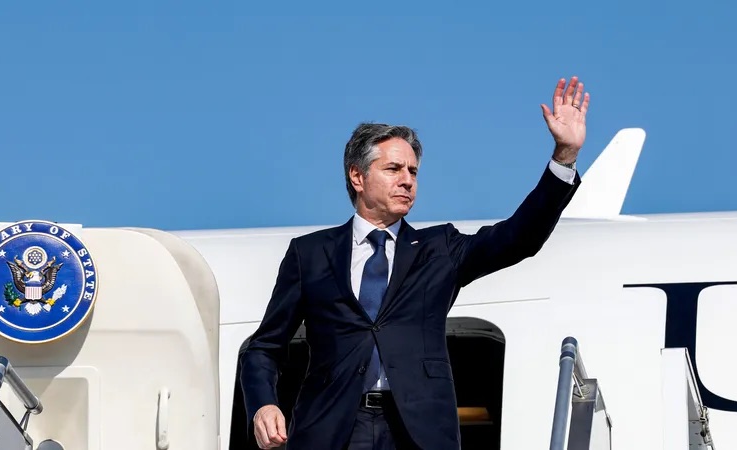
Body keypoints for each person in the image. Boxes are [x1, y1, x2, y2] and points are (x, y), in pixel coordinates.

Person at [240, 76, 590, 449]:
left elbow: (519, 238)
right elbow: (264, 347)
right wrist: (263, 404)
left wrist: (564, 156)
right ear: (357, 177)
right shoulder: (309, 254)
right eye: (394, 169)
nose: (407, 181)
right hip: (332, 431)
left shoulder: (439, 249)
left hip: (417, 433)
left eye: (413, 172)